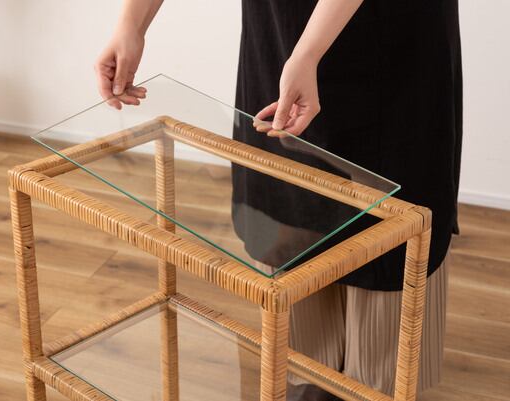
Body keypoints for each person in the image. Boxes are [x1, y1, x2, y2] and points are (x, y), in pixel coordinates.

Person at [95, 1, 462, 400]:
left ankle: (377, 384)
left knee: (386, 233)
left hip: (390, 37)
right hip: (279, 29)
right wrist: (131, 25)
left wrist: (308, 53)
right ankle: (311, 374)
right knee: (288, 210)